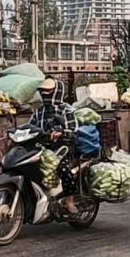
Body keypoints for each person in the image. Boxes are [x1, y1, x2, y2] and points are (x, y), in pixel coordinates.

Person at [29, 78, 80, 212]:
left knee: (63, 170)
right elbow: (30, 127)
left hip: (62, 149)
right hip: (42, 149)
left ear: (57, 91)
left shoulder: (66, 110)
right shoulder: (38, 112)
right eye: (43, 91)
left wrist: (61, 133)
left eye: (48, 90)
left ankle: (69, 200)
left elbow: (74, 132)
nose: (45, 93)